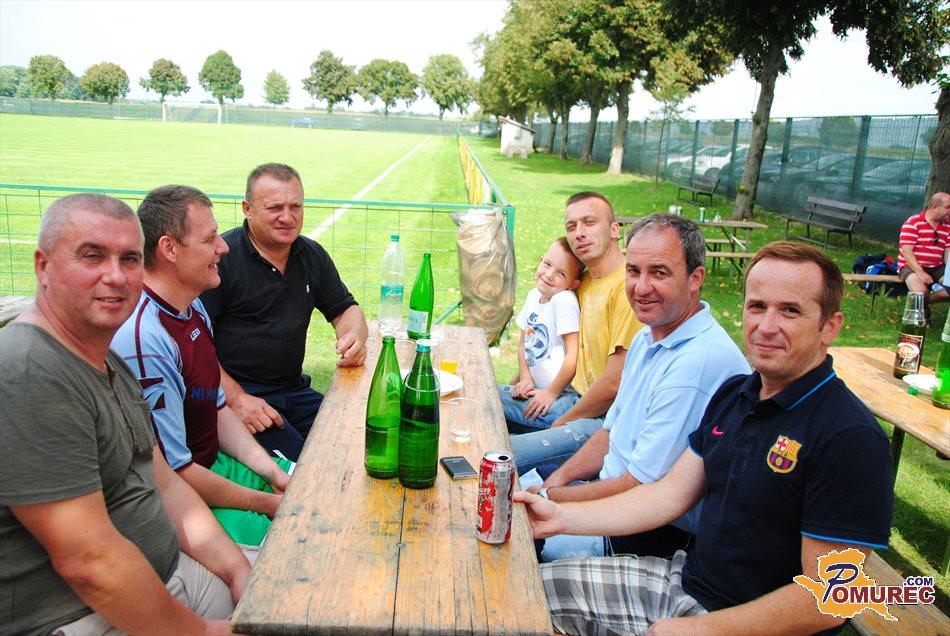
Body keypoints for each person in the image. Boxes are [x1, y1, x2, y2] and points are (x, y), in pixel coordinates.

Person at [515, 241, 894, 635]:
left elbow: (829, 599)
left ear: (829, 326)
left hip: (744, 622)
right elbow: (668, 495)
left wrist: (699, 630)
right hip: (684, 582)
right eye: (757, 306)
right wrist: (560, 517)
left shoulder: (849, 437)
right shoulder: (737, 395)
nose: (766, 326)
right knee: (520, 595)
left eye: (790, 311)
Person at [0, 194, 251, 635]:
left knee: (297, 588)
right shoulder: (28, 371)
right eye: (92, 256)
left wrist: (237, 570)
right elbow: (88, 563)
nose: (115, 276)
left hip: (170, 575)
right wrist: (201, 632)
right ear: (43, 266)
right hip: (82, 616)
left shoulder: (106, 359)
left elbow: (166, 484)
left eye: (130, 259)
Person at [524, 214, 750, 562]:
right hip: (605, 496)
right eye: (633, 271)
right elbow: (610, 431)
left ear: (696, 278)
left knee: (514, 546)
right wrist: (556, 481)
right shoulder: (649, 335)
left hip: (640, 536)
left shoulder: (696, 364)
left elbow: (639, 486)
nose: (641, 287)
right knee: (504, 491)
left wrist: (551, 497)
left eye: (659, 273)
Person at [113, 185, 293, 547]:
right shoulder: (146, 338)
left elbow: (216, 407)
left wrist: (274, 473)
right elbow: (173, 474)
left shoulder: (191, 305)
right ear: (169, 249)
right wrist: (271, 504)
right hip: (182, 498)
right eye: (210, 238)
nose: (223, 247)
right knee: (293, 542)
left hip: (214, 468)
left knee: (315, 482)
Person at [199, 163, 368, 461]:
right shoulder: (221, 261)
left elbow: (345, 308)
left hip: (294, 390)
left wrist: (353, 336)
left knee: (360, 437)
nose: (287, 217)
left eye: (295, 207)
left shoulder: (311, 255)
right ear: (247, 209)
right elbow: (194, 347)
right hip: (243, 398)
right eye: (275, 207)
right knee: (307, 466)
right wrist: (236, 398)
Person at [500, 192, 641, 450]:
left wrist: (562, 423)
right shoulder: (582, 281)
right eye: (571, 226)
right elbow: (537, 332)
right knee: (483, 397)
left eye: (589, 222)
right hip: (566, 397)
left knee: (499, 451)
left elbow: (614, 383)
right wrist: (521, 381)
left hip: (599, 418)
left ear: (614, 230)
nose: (579, 233)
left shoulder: (626, 289)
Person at [500, 237, 583, 432]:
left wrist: (551, 392)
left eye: (561, 273)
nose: (549, 275)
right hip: (536, 391)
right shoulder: (533, 296)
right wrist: (525, 378)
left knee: (488, 399)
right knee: (489, 397)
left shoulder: (563, 301)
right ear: (541, 260)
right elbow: (523, 344)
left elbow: (573, 354)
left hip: (560, 397)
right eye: (547, 264)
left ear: (573, 283)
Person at [897, 191, 950, 308]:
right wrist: (920, 271)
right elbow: (907, 252)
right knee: (920, 292)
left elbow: (948, 253)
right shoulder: (913, 222)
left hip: (936, 267)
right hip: (910, 266)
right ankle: (920, 311)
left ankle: (920, 304)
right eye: (947, 207)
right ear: (934, 206)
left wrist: (949, 271)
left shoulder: (947, 225)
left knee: (946, 291)